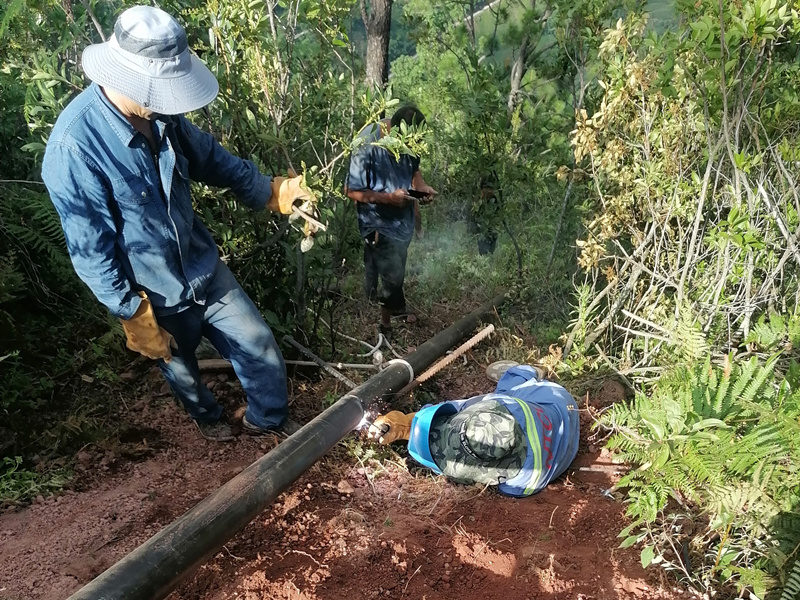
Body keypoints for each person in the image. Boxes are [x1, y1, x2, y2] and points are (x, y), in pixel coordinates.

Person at [41, 6, 310, 442]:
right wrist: (131, 311)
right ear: (126, 77)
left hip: (202, 267)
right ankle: (208, 420)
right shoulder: (75, 146)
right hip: (155, 294)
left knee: (260, 348)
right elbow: (91, 251)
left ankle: (268, 421)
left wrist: (268, 190)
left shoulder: (159, 116)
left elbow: (210, 158)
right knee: (181, 370)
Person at [368, 365, 579, 496]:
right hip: (557, 402)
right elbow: (463, 408)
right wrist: (407, 427)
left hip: (559, 405)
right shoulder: (503, 405)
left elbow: (460, 408)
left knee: (509, 382)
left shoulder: (520, 486)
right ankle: (526, 371)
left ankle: (524, 370)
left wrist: (406, 425)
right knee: (512, 384)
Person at [346, 107, 437, 335]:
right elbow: (351, 190)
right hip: (377, 221)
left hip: (402, 221)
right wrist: (388, 198)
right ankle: (385, 327)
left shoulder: (412, 138)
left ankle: (395, 309)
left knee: (397, 269)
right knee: (390, 272)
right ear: (395, 131)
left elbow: (414, 171)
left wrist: (421, 188)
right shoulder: (365, 143)